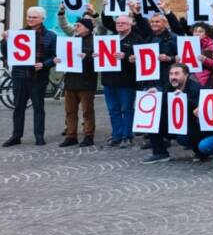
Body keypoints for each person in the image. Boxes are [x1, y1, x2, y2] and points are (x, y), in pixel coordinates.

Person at [1, 6, 58, 146]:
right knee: (18, 107)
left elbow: (56, 56)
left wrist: (44, 65)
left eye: (34, 17)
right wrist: (4, 41)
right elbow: (7, 54)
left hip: (38, 77)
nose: (30, 19)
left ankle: (39, 135)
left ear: (42, 19)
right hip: (19, 76)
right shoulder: (18, 34)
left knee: (38, 107)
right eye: (29, 16)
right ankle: (16, 136)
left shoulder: (51, 36)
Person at [141, 63, 204, 164]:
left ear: (186, 75)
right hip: (175, 123)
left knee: (183, 138)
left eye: (177, 74)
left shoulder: (196, 89)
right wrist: (157, 92)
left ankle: (201, 152)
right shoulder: (170, 86)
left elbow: (200, 110)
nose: (173, 77)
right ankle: (160, 153)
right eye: (171, 74)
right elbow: (164, 97)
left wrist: (184, 98)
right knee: (153, 119)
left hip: (193, 125)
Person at [55, 12, 99, 147]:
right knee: (70, 111)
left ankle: (88, 136)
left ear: (87, 28)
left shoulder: (96, 41)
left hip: (86, 82)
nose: (75, 28)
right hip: (71, 81)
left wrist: (87, 56)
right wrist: (58, 59)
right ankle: (71, 135)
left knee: (87, 111)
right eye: (75, 25)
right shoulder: (72, 40)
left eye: (78, 26)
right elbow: (64, 56)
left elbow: (99, 62)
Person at [100, 13, 142, 147]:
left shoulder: (137, 39)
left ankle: (127, 135)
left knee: (127, 109)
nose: (119, 25)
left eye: (123, 23)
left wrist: (127, 55)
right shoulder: (109, 38)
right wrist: (98, 54)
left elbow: (142, 57)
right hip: (109, 80)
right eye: (118, 23)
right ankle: (116, 135)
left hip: (126, 81)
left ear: (130, 25)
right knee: (113, 109)